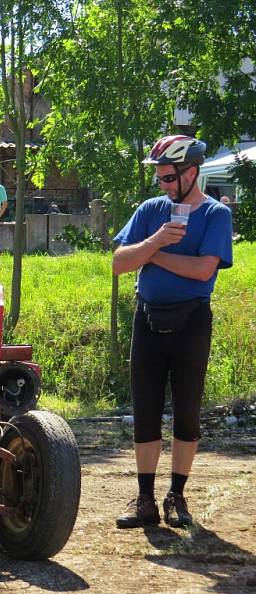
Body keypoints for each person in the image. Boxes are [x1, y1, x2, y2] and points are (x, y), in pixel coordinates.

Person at [112, 135, 233, 529]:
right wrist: (156, 240)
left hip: (192, 322)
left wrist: (151, 255)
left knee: (187, 410)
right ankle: (144, 499)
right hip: (147, 319)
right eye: (160, 178)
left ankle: (176, 495)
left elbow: (203, 271)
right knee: (145, 409)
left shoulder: (215, 214)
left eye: (167, 177)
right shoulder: (151, 211)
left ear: (191, 172)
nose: (162, 184)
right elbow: (118, 263)